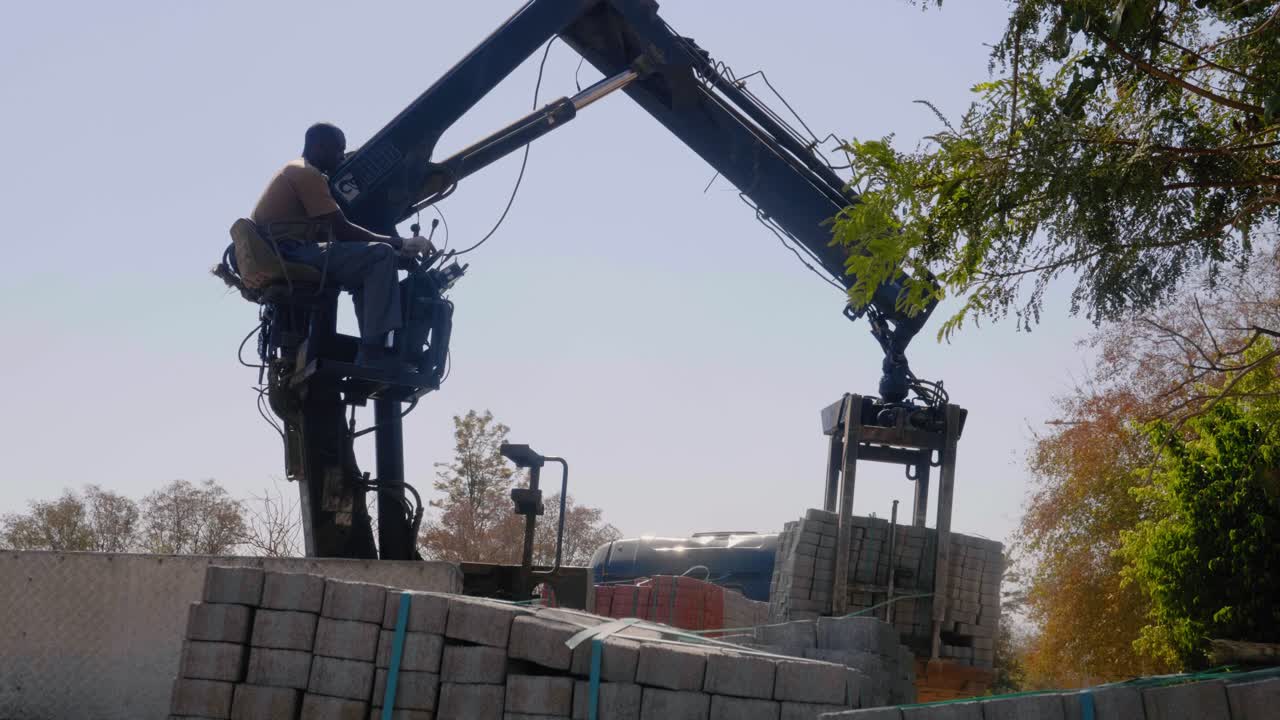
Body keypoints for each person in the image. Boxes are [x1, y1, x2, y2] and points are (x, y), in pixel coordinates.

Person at [250, 122, 431, 370]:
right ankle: (373, 352)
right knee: (380, 255)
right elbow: (342, 230)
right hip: (290, 252)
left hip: (287, 250)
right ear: (318, 146)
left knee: (364, 268)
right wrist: (400, 243)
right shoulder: (307, 174)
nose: (340, 157)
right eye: (338, 150)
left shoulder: (294, 171)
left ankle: (372, 346)